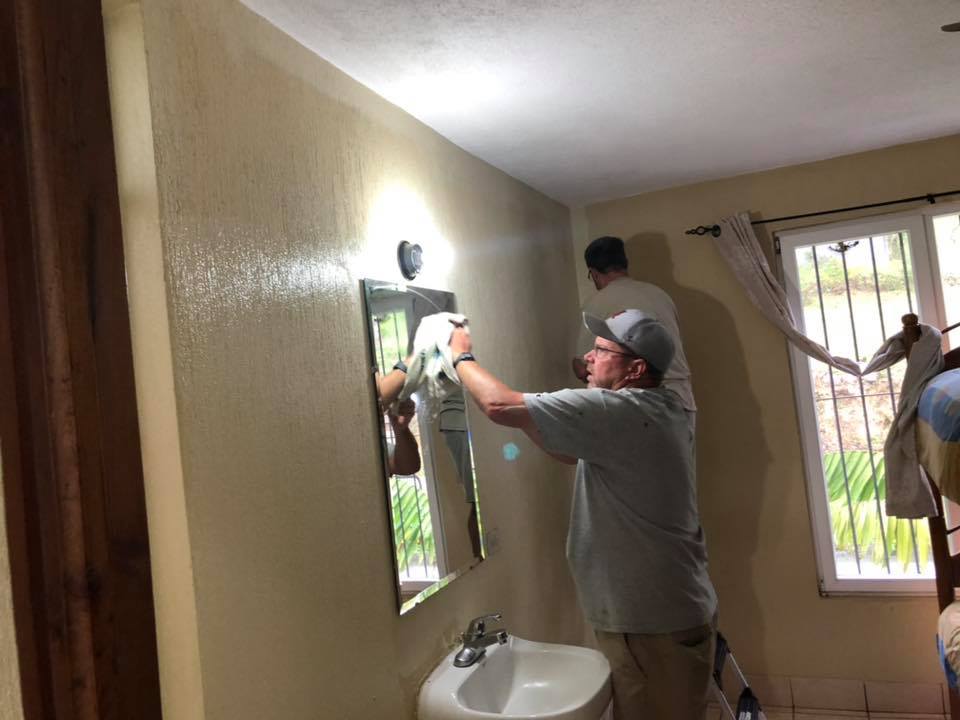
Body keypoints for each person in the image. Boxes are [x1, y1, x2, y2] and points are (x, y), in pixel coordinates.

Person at [449, 310, 717, 720]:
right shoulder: (662, 407)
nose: (587, 358)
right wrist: (535, 418)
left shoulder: (620, 410)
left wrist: (459, 356)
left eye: (601, 350)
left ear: (636, 369)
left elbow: (498, 405)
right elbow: (568, 453)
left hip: (654, 625)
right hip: (659, 616)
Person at [574, 236, 696, 423]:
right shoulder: (660, 295)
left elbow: (583, 369)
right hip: (680, 397)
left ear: (594, 273)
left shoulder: (596, 304)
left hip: (636, 403)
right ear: (624, 264)